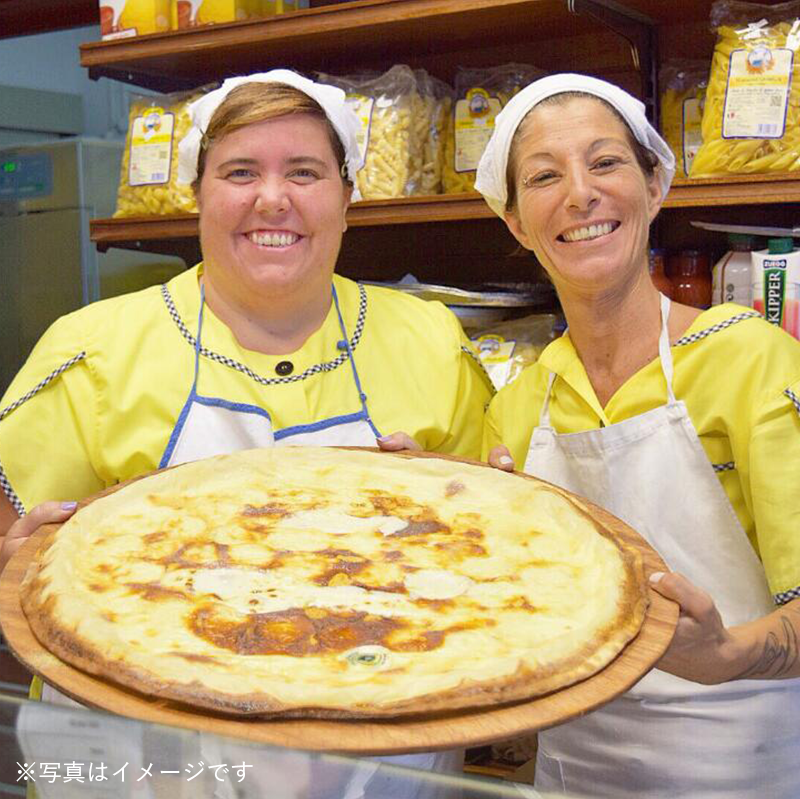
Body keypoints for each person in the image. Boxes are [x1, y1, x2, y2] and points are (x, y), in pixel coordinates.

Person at [0, 70, 493, 797]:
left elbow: (491, 562)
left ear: (347, 199)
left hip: (383, 767)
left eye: (305, 172)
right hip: (145, 766)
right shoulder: (93, 351)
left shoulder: (429, 341)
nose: (273, 199)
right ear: (197, 194)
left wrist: (435, 525)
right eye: (240, 172)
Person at [475, 73, 800, 798]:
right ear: (517, 223)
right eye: (544, 176)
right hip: (574, 772)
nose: (580, 193)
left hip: (747, 764)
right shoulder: (522, 405)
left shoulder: (748, 359)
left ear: (656, 186)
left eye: (606, 162)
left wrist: (727, 652)